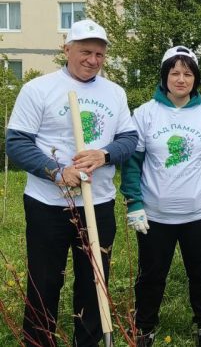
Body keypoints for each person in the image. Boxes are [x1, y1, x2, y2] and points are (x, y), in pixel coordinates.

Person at [6, 19, 138, 346]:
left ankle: (88, 342)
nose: (93, 60)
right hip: (48, 204)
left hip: (99, 202)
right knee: (45, 281)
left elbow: (129, 138)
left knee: (94, 281)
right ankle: (38, 341)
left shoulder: (114, 92)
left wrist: (104, 155)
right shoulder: (38, 89)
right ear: (67, 50)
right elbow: (16, 142)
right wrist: (55, 171)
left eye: (99, 54)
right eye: (85, 52)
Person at [121, 47, 201, 347]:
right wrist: (134, 202)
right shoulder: (145, 114)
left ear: (195, 79)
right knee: (151, 276)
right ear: (164, 76)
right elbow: (132, 162)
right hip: (155, 215)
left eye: (188, 73)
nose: (181, 79)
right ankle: (145, 328)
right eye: (175, 73)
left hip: (199, 214)